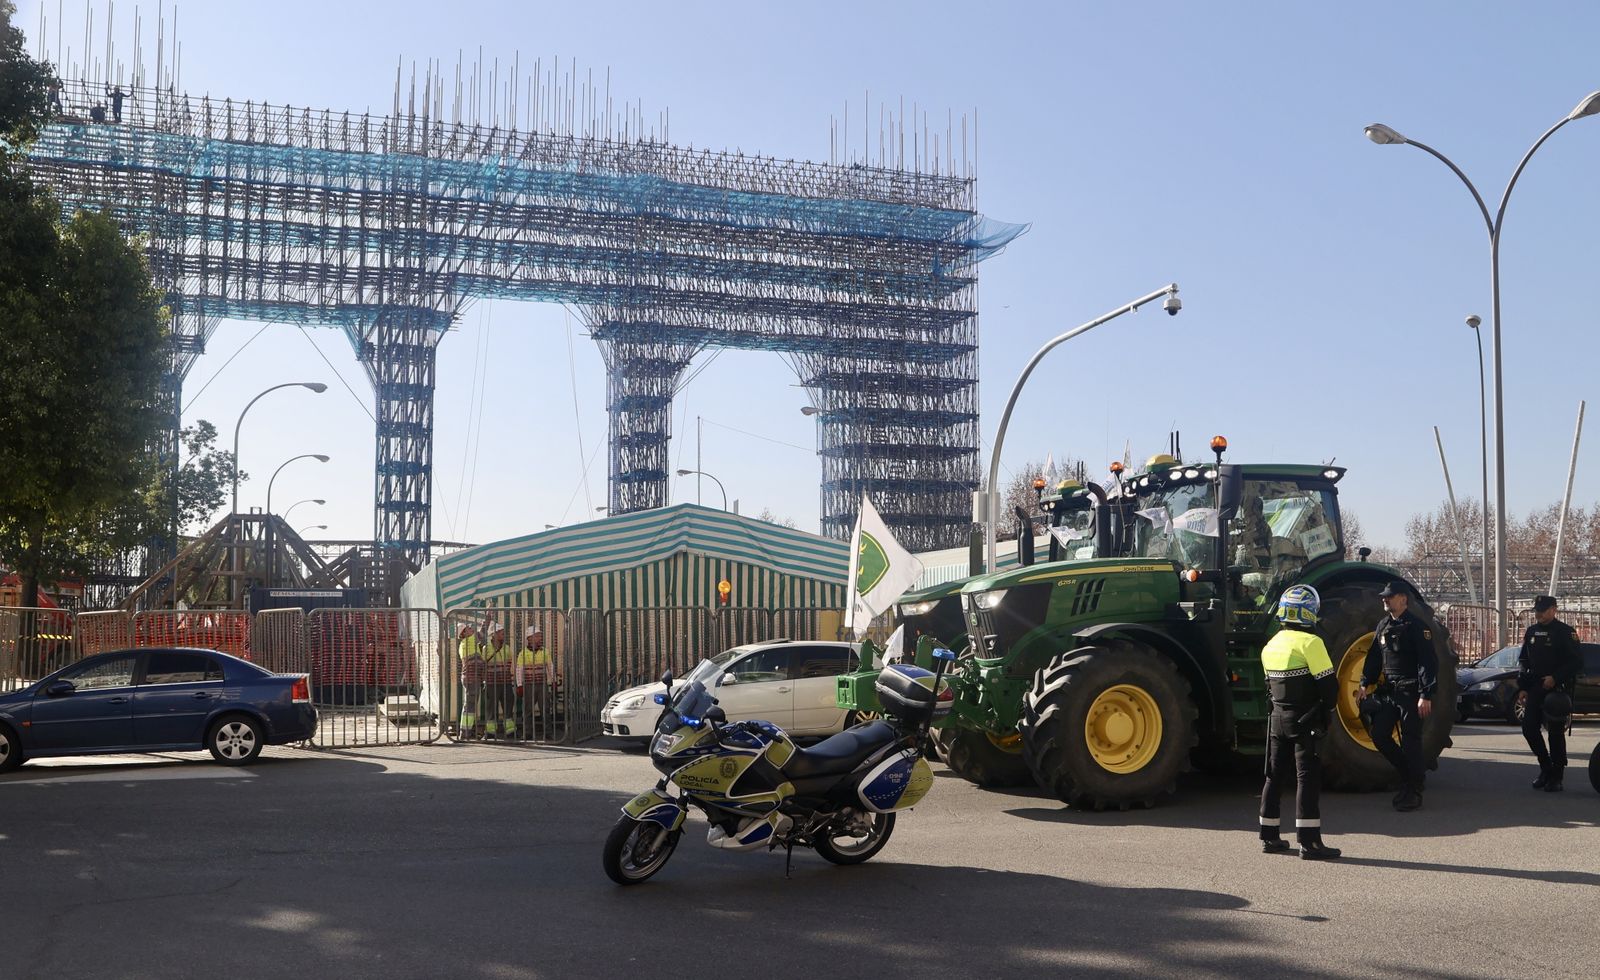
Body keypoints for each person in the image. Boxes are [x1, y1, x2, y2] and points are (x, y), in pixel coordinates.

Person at [1258, 585, 1342, 860]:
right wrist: (1326, 711)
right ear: (1310, 613)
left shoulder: (1271, 644)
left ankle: (1269, 836)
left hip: (1276, 719)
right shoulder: (1311, 643)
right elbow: (1330, 688)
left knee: (1274, 776)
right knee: (1307, 778)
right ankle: (1309, 842)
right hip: (1305, 719)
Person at [1356, 581, 1438, 811]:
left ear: (1403, 599)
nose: (1385, 599)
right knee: (1380, 734)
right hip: (1391, 691)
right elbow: (1374, 657)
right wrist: (1365, 683)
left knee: (1411, 741)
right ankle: (1408, 775)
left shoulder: (1417, 627)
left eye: (1390, 597)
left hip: (1411, 692)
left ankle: (1415, 789)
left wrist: (1426, 694)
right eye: (1384, 596)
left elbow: (1427, 663)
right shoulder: (1383, 625)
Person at [1517, 595, 1581, 792]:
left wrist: (1555, 677)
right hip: (1536, 687)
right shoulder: (1532, 631)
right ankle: (1545, 767)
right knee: (1529, 728)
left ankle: (1557, 775)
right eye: (1537, 610)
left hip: (1556, 689)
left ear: (1554, 609)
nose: (1539, 614)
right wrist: (1523, 687)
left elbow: (1576, 662)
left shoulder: (1565, 632)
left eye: (1543, 610)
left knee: (1555, 732)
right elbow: (1524, 661)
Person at [515, 627, 553, 739]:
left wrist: (553, 680)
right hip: (528, 685)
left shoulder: (545, 651)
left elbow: (550, 666)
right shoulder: (523, 654)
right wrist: (520, 685)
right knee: (527, 710)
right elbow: (519, 669)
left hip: (542, 684)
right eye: (536, 636)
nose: (539, 638)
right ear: (529, 638)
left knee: (545, 709)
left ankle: (548, 732)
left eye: (539, 636)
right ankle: (527, 733)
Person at [483, 624, 516, 739]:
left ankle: (510, 730)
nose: (504, 634)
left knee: (508, 705)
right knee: (491, 707)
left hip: (506, 682)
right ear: (494, 634)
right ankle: (491, 732)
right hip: (491, 683)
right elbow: (482, 665)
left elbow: (511, 664)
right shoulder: (486, 649)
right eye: (501, 632)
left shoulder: (506, 648)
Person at [456, 623, 486, 739]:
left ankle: (466, 730)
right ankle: (465, 732)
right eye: (468, 628)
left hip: (471, 677)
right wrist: (488, 614)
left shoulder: (464, 644)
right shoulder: (470, 640)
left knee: (470, 704)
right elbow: (483, 630)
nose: (471, 629)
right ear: (463, 633)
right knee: (470, 705)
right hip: (472, 678)